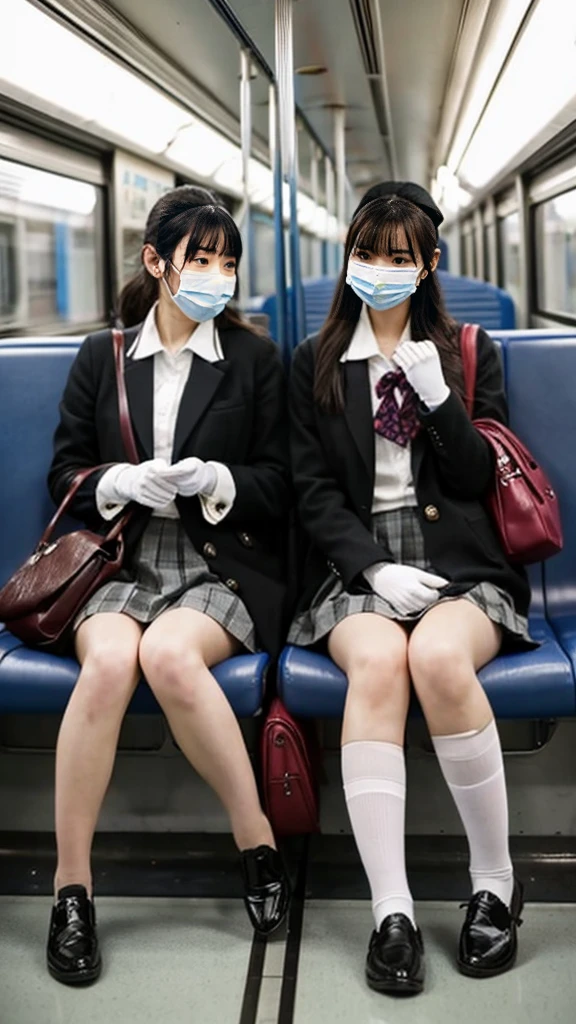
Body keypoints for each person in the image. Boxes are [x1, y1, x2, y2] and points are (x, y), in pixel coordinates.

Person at [288, 181, 533, 996]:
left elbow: (472, 479)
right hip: (357, 565)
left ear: (429, 264)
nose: (380, 269)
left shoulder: (469, 352)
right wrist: (370, 566)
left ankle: (494, 879)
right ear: (348, 258)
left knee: (435, 656)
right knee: (380, 663)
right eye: (367, 253)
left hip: (461, 559)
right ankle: (390, 909)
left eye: (399, 257)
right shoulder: (315, 363)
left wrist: (438, 400)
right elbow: (312, 489)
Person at [46, 185, 290, 986]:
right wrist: (117, 481)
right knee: (113, 660)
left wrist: (217, 478)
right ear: (156, 262)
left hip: (217, 558)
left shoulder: (254, 361)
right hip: (120, 556)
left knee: (173, 659)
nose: (217, 275)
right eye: (201, 258)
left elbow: (281, 482)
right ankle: (71, 888)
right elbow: (64, 475)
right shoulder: (102, 356)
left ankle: (255, 841)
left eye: (228, 261)